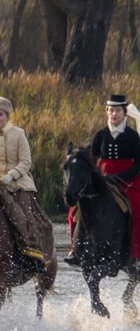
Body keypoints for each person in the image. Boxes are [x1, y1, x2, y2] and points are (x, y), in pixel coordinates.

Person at [0, 96, 51, 268]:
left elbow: (26, 162)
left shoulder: (18, 134)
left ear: (7, 116)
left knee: (22, 216)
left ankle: (32, 255)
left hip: (18, 184)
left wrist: (10, 176)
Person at [70, 93, 140, 264]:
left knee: (137, 208)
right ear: (107, 112)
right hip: (103, 178)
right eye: (111, 111)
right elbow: (92, 158)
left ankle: (135, 252)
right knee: (74, 210)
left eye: (117, 111)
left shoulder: (132, 136)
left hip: (128, 179)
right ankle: (76, 250)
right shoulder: (100, 134)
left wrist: (120, 177)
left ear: (124, 112)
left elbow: (138, 163)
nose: (114, 114)